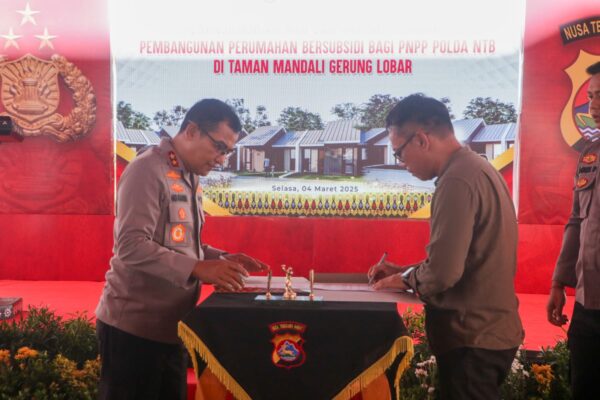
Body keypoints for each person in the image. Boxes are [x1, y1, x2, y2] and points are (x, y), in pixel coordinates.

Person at [95, 98, 269, 400]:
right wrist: (200, 268)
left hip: (172, 328)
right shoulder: (147, 169)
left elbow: (181, 244)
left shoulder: (186, 174)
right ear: (191, 130)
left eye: (228, 152)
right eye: (219, 147)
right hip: (133, 331)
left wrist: (219, 257)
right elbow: (131, 246)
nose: (222, 159)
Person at [368, 94, 524, 399]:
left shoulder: (456, 181)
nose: (402, 164)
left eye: (400, 153)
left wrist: (404, 280)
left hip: (472, 337)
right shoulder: (477, 168)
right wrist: (406, 270)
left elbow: (443, 272)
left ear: (423, 140)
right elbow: (464, 258)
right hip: (487, 333)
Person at [547, 61, 600, 400]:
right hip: (587, 305)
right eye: (592, 97)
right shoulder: (590, 155)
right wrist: (558, 282)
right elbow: (576, 221)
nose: (593, 107)